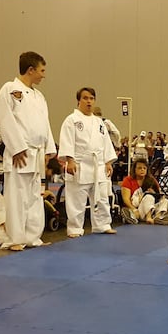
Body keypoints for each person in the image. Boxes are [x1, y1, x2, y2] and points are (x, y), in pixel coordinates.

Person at [0, 51, 56, 248]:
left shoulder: (39, 96)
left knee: (35, 196)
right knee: (17, 197)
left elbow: (44, 123)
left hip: (37, 152)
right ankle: (16, 238)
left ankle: (32, 236)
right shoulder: (10, 89)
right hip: (19, 153)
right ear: (30, 70)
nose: (44, 75)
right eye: (42, 70)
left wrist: (48, 149)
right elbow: (3, 118)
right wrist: (17, 147)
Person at [59, 87, 118, 238]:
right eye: (85, 98)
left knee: (102, 197)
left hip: (98, 164)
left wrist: (108, 162)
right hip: (79, 164)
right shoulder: (71, 120)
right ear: (79, 100)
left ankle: (102, 224)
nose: (89, 101)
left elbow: (105, 143)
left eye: (92, 98)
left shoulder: (99, 122)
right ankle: (75, 228)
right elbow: (67, 141)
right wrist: (70, 160)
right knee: (76, 199)